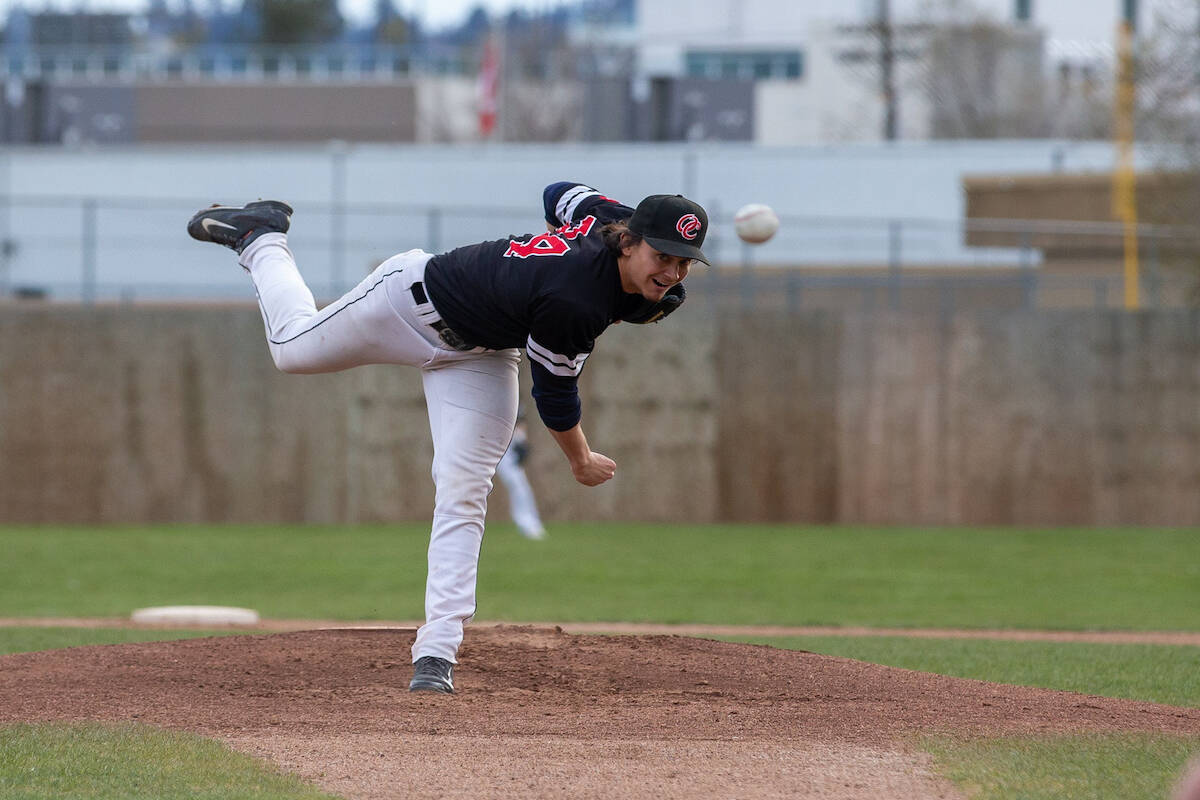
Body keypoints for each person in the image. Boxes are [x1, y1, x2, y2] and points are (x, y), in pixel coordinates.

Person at [186, 182, 709, 694]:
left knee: (464, 486)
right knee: (291, 349)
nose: (674, 271)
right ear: (631, 240)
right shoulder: (573, 298)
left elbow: (559, 192)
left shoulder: (602, 220)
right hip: (406, 304)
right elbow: (554, 396)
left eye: (685, 261)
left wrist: (555, 243)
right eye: (664, 255)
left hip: (481, 354)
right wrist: (581, 461)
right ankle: (262, 238)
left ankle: (437, 648)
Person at [495, 408, 547, 540]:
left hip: (510, 447)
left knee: (522, 488)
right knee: (518, 487)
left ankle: (530, 524)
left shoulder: (517, 399)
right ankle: (527, 524)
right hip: (499, 445)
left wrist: (521, 441)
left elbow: (520, 421)